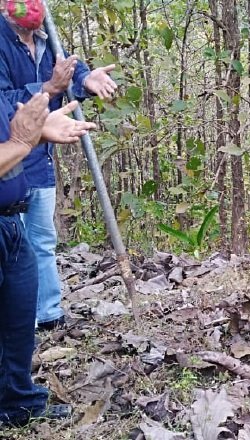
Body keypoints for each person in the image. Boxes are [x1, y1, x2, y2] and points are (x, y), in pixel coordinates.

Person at [0, 0, 117, 331]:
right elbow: (5, 102)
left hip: (41, 161)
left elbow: (69, 69)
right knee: (13, 246)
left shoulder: (45, 35)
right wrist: (48, 89)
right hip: (11, 163)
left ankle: (49, 313)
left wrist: (86, 79)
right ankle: (19, 319)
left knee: (42, 240)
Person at [0, 90, 96, 427]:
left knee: (18, 321)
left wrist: (36, 133)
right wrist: (23, 143)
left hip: (11, 220)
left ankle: (16, 402)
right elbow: (14, 144)